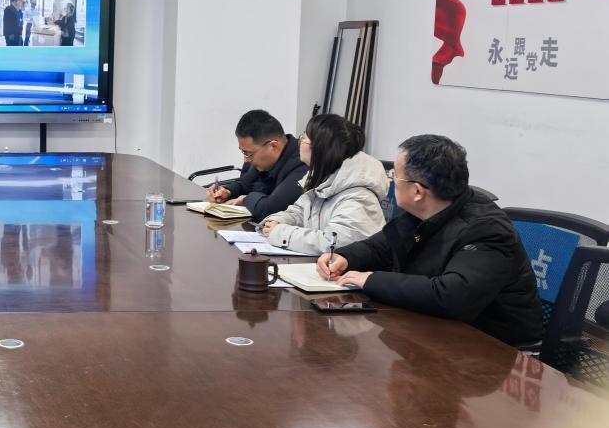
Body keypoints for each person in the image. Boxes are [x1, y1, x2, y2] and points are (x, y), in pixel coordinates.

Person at [317, 134, 543, 346]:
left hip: (497, 350)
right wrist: (346, 257)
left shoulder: (488, 230)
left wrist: (371, 280)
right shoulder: (428, 208)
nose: (392, 181)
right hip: (439, 332)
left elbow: (451, 296)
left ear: (417, 191)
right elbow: (382, 246)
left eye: (395, 175)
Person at [259, 114, 388, 255]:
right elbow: (300, 212)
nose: (300, 141)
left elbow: (334, 243)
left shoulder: (358, 196)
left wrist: (282, 233)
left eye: (304, 137)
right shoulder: (323, 179)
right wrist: (277, 222)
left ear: (320, 148)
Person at [206, 109, 307, 221]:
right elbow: (245, 185)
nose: (246, 160)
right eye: (243, 152)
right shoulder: (258, 160)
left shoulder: (303, 163)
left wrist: (246, 199)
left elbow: (270, 209)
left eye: (248, 153)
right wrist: (228, 191)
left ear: (273, 146)